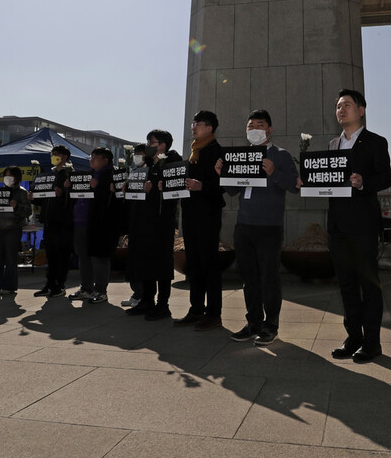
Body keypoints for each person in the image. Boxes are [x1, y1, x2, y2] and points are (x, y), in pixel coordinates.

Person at [216, 109, 299, 346]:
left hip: (269, 226)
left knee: (269, 277)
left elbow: (294, 186)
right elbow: (233, 190)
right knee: (248, 277)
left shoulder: (281, 155)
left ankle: (270, 325)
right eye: (250, 126)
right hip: (244, 225)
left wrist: (274, 173)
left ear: (269, 129)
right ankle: (252, 323)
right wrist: (222, 174)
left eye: (259, 125)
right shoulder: (241, 156)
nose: (254, 130)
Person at [323, 89, 391, 363]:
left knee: (369, 284)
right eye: (338, 106)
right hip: (337, 226)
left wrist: (364, 182)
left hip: (363, 223)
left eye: (347, 105)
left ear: (361, 110)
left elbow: (385, 177)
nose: (341, 110)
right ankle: (354, 337)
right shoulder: (331, 145)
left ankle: (372, 342)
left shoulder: (375, 142)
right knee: (346, 284)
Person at [174, 110, 226, 331]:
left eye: (198, 123)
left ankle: (214, 313)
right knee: (193, 263)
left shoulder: (216, 151)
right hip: (190, 213)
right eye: (193, 123)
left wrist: (202, 185)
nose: (193, 126)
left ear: (210, 128)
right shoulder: (194, 150)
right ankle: (196, 309)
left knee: (209, 264)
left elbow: (223, 185)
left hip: (208, 214)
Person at [125, 129, 182, 321]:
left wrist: (156, 191)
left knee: (161, 264)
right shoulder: (146, 166)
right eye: (148, 142)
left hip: (161, 224)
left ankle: (162, 305)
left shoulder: (173, 164)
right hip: (142, 223)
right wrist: (129, 187)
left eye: (151, 142)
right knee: (145, 262)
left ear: (162, 145)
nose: (148, 145)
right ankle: (147, 300)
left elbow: (176, 193)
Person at [69, 148, 117, 304]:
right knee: (83, 257)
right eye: (91, 157)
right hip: (81, 222)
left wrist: (100, 187)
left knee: (99, 257)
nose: (91, 160)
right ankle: (86, 288)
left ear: (105, 160)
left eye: (95, 157)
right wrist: (68, 186)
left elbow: (115, 200)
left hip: (100, 224)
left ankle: (101, 290)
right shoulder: (86, 175)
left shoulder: (113, 175)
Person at [34, 145, 74, 298]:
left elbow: (74, 199)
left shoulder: (69, 174)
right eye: (52, 154)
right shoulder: (48, 175)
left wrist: (63, 193)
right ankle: (49, 284)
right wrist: (34, 198)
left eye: (56, 154)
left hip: (63, 222)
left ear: (64, 157)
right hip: (49, 221)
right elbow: (42, 200)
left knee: (62, 255)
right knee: (50, 255)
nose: (53, 156)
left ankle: (60, 284)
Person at [0, 166, 31, 296]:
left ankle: (10, 286)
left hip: (13, 228)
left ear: (17, 178)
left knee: (10, 258)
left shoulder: (21, 192)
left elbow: (28, 211)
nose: (7, 179)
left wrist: (16, 206)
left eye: (10, 176)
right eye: (5, 176)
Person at [120, 143, 147, 308]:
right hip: (133, 223)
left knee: (141, 262)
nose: (137, 157)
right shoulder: (133, 172)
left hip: (144, 225)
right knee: (132, 262)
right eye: (135, 154)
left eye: (140, 154)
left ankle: (142, 295)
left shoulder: (150, 172)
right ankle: (136, 293)